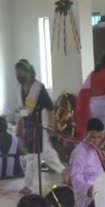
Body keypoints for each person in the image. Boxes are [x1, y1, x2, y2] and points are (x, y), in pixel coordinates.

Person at [15, 59, 65, 194]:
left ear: (28, 71)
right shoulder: (20, 89)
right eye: (16, 72)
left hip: (39, 124)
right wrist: (20, 124)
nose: (18, 75)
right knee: (44, 153)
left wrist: (52, 125)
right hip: (28, 126)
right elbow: (22, 110)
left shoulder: (38, 88)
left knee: (34, 155)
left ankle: (28, 185)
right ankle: (64, 172)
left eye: (20, 72)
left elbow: (50, 108)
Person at [70, 118, 105, 207]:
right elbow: (76, 178)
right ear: (86, 133)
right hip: (88, 199)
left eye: (99, 137)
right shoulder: (79, 152)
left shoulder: (96, 148)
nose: (96, 141)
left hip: (100, 192)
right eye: (93, 137)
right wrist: (90, 190)